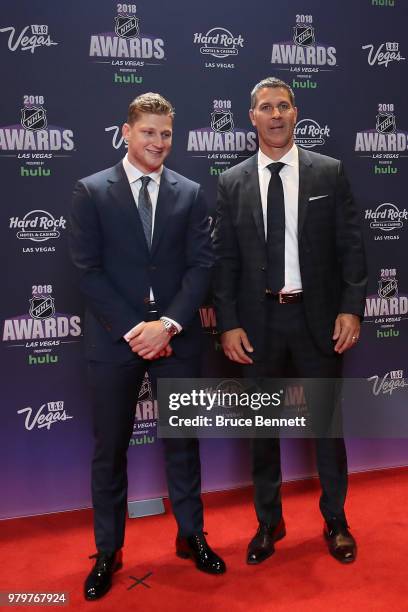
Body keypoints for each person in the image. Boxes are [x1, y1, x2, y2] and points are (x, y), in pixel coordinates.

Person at [69, 93, 226, 601]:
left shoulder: (189, 192)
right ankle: (108, 552)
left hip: (177, 340)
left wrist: (171, 326)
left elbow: (202, 265)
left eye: (166, 134)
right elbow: (87, 272)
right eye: (148, 133)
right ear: (127, 132)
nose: (158, 142)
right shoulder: (91, 191)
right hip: (116, 341)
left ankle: (192, 535)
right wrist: (138, 329)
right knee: (109, 451)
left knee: (183, 445)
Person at [213, 77, 367, 565]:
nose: (275, 115)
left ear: (296, 112)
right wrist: (229, 323)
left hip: (317, 319)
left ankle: (336, 521)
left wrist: (350, 308)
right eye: (265, 107)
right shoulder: (232, 180)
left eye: (283, 106)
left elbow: (352, 248)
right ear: (252, 117)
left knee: (326, 426)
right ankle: (268, 522)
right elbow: (225, 261)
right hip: (257, 323)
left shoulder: (329, 172)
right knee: (263, 428)